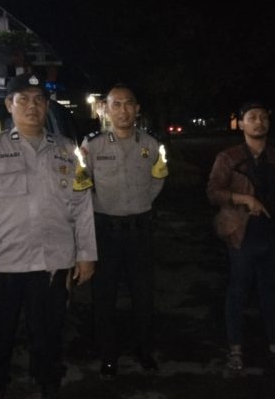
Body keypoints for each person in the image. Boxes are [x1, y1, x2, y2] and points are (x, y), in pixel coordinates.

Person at [0, 72, 97, 399]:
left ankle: (48, 384)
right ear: (9, 105)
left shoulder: (68, 150)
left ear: (47, 106)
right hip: (3, 263)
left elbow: (82, 204)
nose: (31, 106)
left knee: (49, 333)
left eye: (39, 100)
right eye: (22, 99)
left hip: (52, 262)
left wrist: (86, 254)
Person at [207, 101, 275, 374]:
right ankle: (235, 348)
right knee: (237, 291)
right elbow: (213, 192)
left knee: (270, 292)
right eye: (252, 117)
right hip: (242, 233)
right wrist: (244, 198)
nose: (259, 122)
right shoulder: (229, 157)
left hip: (274, 234)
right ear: (241, 123)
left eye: (263, 117)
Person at [80, 83, 168, 379]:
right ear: (105, 109)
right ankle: (108, 354)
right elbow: (82, 183)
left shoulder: (152, 144)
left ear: (137, 108)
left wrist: (141, 203)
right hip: (105, 231)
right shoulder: (92, 145)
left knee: (143, 295)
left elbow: (158, 179)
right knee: (104, 296)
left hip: (140, 231)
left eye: (128, 103)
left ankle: (143, 349)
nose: (122, 110)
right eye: (115, 104)